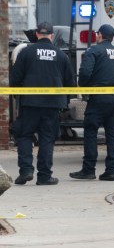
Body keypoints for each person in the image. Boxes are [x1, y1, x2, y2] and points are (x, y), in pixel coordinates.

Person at [9, 22, 76, 185]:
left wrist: (20, 98)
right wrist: (64, 102)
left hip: (30, 104)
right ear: (52, 36)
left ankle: (26, 171)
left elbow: (15, 79)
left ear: (37, 34)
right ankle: (45, 176)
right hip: (52, 106)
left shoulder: (26, 53)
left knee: (24, 135)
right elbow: (71, 84)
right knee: (47, 138)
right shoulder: (61, 55)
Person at [70, 24, 114, 181]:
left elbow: (84, 72)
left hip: (98, 98)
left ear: (100, 35)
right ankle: (111, 170)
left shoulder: (93, 51)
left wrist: (84, 87)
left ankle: (88, 170)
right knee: (112, 134)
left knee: (91, 131)